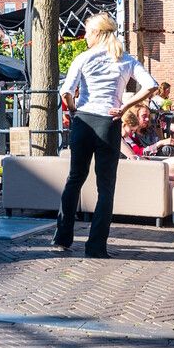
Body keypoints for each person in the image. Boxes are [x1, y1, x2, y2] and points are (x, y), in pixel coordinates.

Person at [52, 13, 158, 259]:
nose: (85, 36)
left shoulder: (83, 58)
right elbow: (151, 84)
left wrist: (74, 108)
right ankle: (96, 246)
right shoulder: (125, 60)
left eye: (87, 32)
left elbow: (66, 92)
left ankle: (63, 237)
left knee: (74, 179)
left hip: (84, 121)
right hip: (109, 123)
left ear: (98, 33)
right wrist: (124, 105)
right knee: (106, 187)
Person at [121, 109, 174, 187]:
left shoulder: (133, 135)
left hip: (149, 162)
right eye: (131, 130)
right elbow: (135, 157)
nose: (132, 133)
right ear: (123, 125)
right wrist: (159, 144)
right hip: (146, 167)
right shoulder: (120, 140)